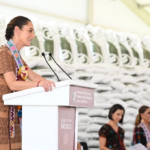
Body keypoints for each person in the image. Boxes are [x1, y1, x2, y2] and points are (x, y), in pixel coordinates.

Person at [0, 16, 55, 150]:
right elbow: (12, 84)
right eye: (30, 31)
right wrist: (38, 84)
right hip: (3, 118)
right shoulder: (4, 53)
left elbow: (32, 75)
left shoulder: (16, 56)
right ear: (17, 30)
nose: (33, 35)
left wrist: (51, 84)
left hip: (12, 119)